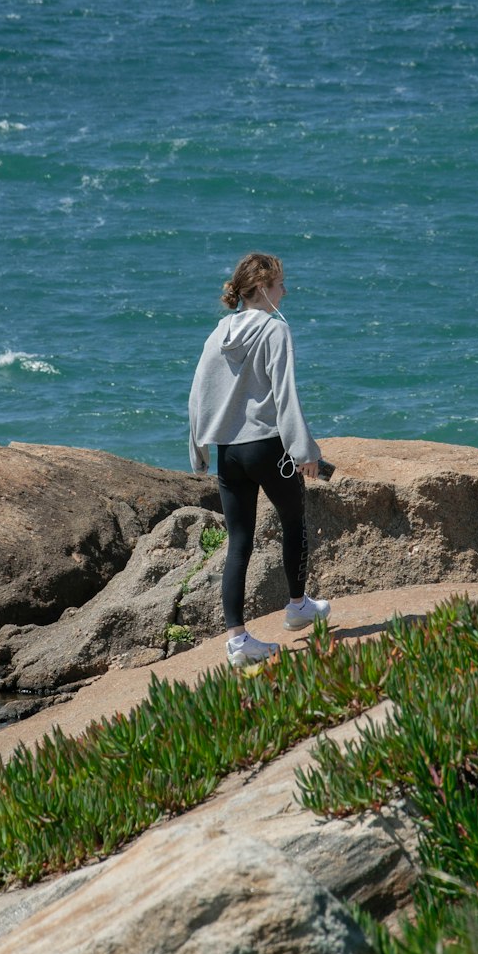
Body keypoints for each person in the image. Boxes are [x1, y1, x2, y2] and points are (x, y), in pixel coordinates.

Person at [189, 252, 331, 667]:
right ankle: (297, 605)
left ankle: (237, 642)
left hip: (228, 452)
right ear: (264, 290)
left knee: (239, 542)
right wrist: (305, 452)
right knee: (294, 520)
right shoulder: (274, 330)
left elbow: (198, 395)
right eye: (280, 284)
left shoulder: (218, 333)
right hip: (267, 445)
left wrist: (198, 451)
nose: (285, 291)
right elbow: (285, 395)